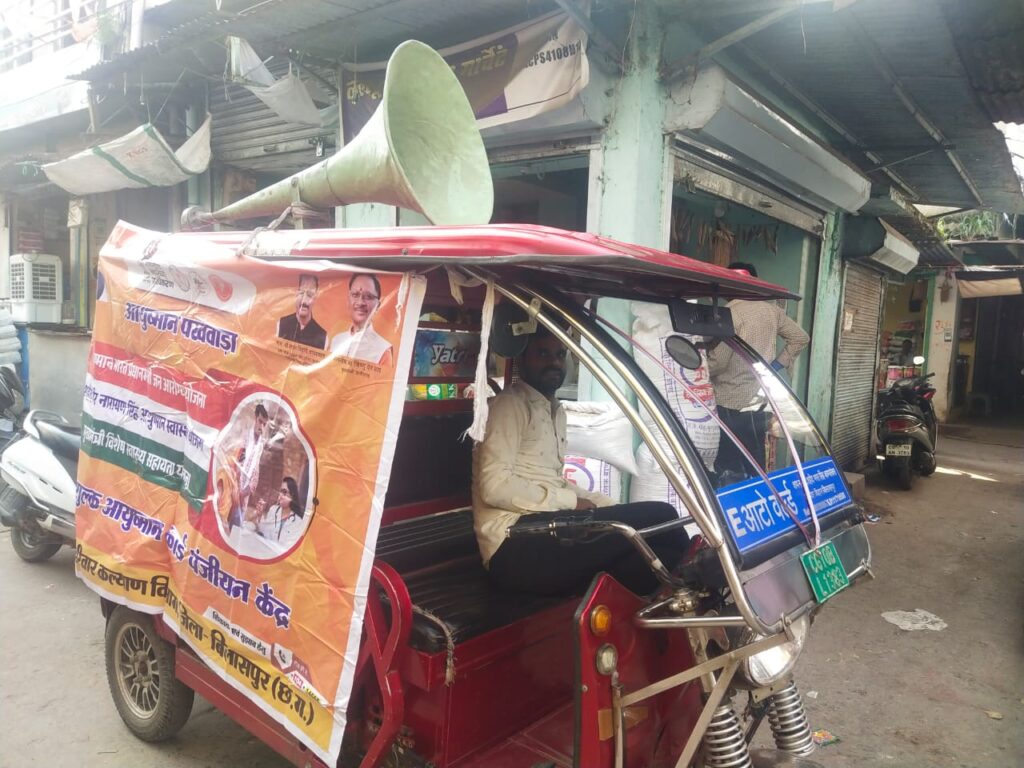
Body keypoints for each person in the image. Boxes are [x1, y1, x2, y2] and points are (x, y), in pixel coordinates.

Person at [473, 324, 689, 597]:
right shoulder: (509, 405)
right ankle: (697, 584)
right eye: (543, 354)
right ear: (522, 360)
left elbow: (554, 481)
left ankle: (692, 600)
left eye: (560, 355)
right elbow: (495, 486)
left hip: (548, 529)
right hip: (512, 545)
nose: (554, 363)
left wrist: (607, 506)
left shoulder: (555, 411)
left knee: (661, 558)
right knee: (662, 514)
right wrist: (573, 503)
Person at [706, 262, 809, 482]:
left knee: (728, 463)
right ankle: (762, 493)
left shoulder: (730, 312)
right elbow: (800, 338)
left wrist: (700, 368)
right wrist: (775, 366)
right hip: (761, 400)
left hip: (730, 400)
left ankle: (731, 499)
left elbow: (720, 362)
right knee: (755, 460)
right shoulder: (772, 311)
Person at [329, 273, 393, 365]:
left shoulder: (383, 351)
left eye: (368, 297)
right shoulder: (336, 340)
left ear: (378, 305)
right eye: (355, 295)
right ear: (348, 300)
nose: (360, 302)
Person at [229, 403, 269, 530]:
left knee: (236, 526)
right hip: (232, 486)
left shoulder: (261, 444)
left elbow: (255, 469)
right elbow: (235, 460)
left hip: (245, 492)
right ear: (255, 418)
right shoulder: (244, 436)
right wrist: (236, 487)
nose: (261, 427)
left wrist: (248, 489)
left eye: (264, 424)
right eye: (260, 421)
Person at [278, 274, 327, 349]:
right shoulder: (281, 324)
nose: (304, 301)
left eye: (310, 295)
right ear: (296, 294)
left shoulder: (323, 337)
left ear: (315, 298)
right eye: (301, 293)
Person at [255, 476, 306, 547]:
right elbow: (264, 533)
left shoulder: (298, 521)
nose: (280, 495)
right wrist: (260, 516)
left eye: (284, 492)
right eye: (280, 491)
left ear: (292, 495)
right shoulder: (273, 510)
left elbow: (291, 546)